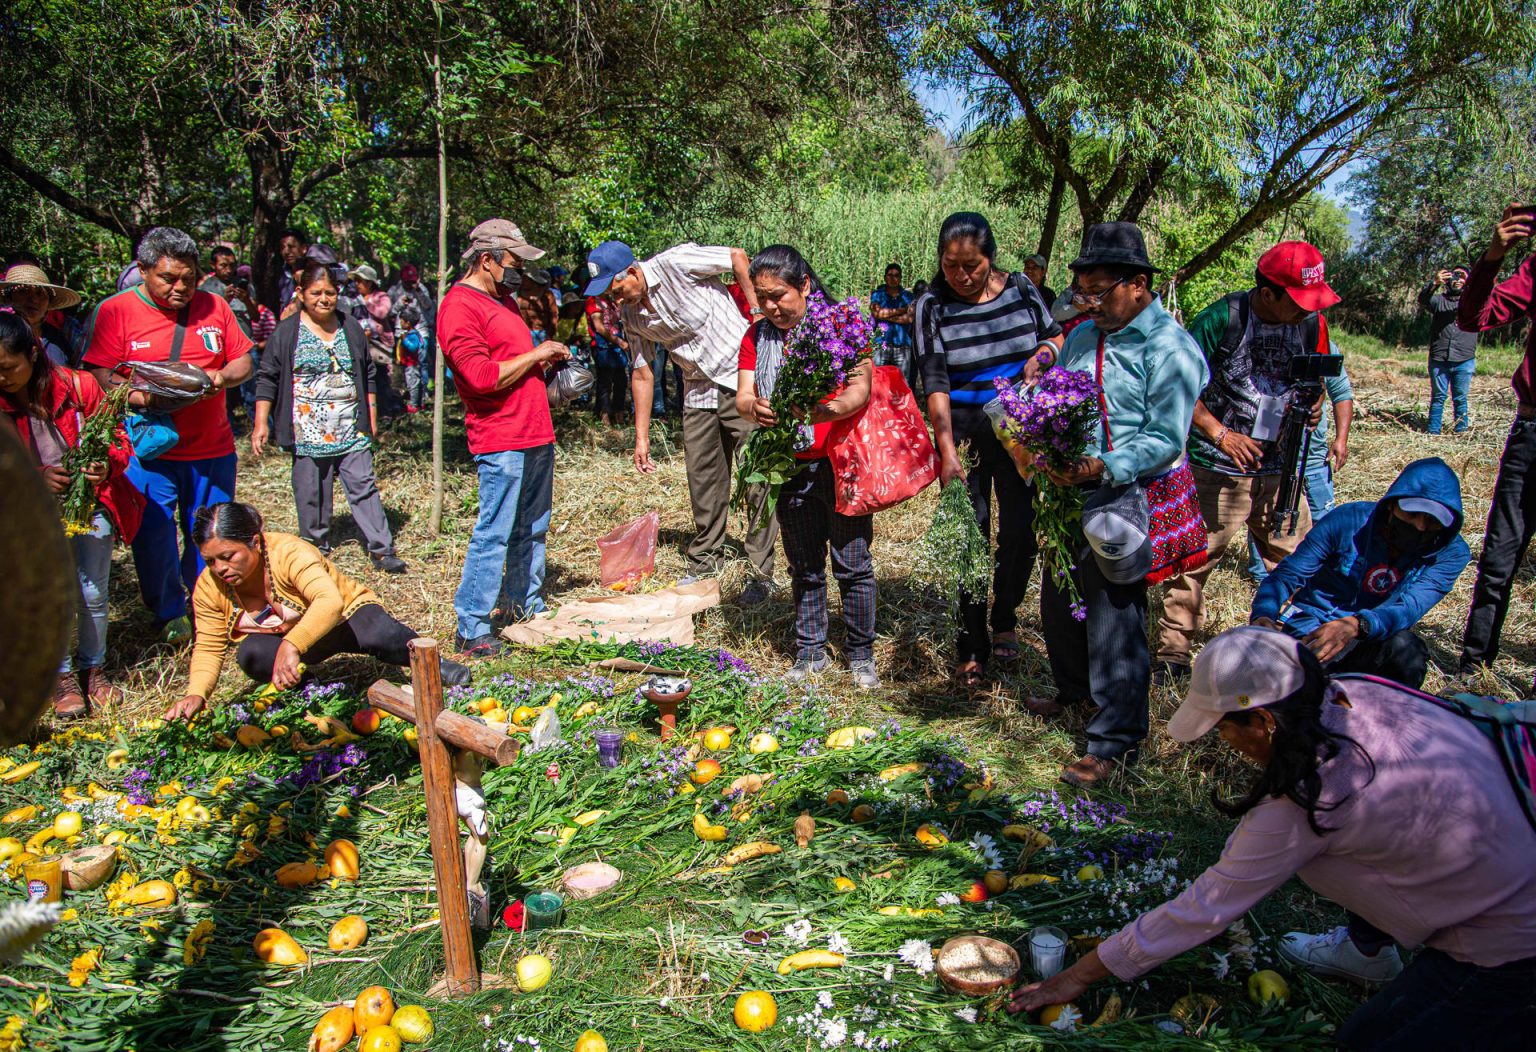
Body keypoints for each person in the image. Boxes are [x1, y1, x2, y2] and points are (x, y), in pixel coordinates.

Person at [1010, 626, 1536, 1049]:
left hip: (1508, 938)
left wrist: (1074, 977)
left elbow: (1205, 906)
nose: (1220, 738)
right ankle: (1367, 949)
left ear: (1262, 720)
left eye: (1222, 726)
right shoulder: (1357, 693)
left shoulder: (1309, 799)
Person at [1029, 221, 1208, 787]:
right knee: (1060, 599)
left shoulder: (1171, 348)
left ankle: (1116, 739)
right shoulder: (1085, 335)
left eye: (1099, 291)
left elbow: (1165, 437)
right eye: (1083, 291)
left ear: (1137, 284)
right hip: (1071, 487)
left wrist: (1102, 465)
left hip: (1127, 493)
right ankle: (1075, 693)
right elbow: (1061, 394)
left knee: (1114, 613)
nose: (1089, 303)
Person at [1156, 241, 1343, 686]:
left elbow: (1315, 380)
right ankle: (1173, 657)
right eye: (1297, 303)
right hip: (1216, 469)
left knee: (1296, 560)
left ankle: (1296, 652)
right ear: (1268, 292)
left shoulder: (1311, 323)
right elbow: (1176, 388)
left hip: (1280, 471)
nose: (1305, 313)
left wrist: (1313, 408)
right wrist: (1220, 433)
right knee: (1193, 563)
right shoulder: (1222, 320)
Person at [83, 226, 254, 644]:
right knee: (154, 536)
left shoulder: (215, 306)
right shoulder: (115, 311)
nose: (181, 287)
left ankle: (206, 607)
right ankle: (168, 612)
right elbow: (98, 372)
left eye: (189, 278)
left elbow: (244, 361)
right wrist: (141, 398)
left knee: (211, 534)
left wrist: (218, 377)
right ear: (143, 271)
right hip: (149, 452)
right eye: (169, 278)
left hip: (212, 447)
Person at [913, 212, 1063, 687]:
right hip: (964, 434)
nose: (961, 275)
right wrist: (946, 450)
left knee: (1020, 533)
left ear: (990, 258)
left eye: (971, 265)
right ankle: (971, 644)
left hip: (1018, 432)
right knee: (969, 541)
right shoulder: (931, 305)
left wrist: (1042, 359)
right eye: (951, 265)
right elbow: (934, 380)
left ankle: (1005, 618)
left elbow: (1053, 336)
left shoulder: (1021, 288)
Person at [586, 239, 777, 603]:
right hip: (697, 391)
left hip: (742, 378)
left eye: (616, 287)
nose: (615, 298)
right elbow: (642, 374)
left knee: (758, 476)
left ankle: (759, 572)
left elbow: (736, 257)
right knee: (703, 481)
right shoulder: (630, 315)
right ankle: (706, 561)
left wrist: (756, 313)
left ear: (632, 270)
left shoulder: (676, 262)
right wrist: (641, 438)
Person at [164, 503, 470, 720]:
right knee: (251, 654)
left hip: (345, 619)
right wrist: (197, 694)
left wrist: (291, 644)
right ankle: (308, 688)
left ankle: (432, 665)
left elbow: (329, 602)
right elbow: (208, 645)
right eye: (210, 561)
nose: (220, 569)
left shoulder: (289, 552)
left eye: (227, 557)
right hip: (293, 641)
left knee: (383, 633)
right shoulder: (209, 587)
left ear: (255, 542)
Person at [737, 246, 878, 688]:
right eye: (763, 298)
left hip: (840, 463)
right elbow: (743, 393)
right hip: (789, 465)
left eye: (779, 295)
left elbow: (861, 391)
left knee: (852, 562)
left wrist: (821, 412)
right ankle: (810, 651)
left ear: (805, 286)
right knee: (804, 563)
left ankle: (860, 656)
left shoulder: (842, 328)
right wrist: (752, 407)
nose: (771, 306)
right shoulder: (756, 337)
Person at [0, 312, 143, 716]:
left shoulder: (78, 386)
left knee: (93, 591)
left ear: (33, 353)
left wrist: (105, 467)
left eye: (8, 368)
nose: (3, 378)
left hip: (90, 502)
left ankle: (93, 671)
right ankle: (61, 679)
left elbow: (116, 438)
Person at [438, 219, 569, 658]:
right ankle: (472, 625)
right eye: (513, 262)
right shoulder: (459, 307)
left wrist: (544, 366)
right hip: (501, 437)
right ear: (487, 260)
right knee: (494, 532)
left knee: (533, 529)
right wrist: (536, 352)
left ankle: (523, 608)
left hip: (534, 430)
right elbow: (478, 376)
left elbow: (510, 362)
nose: (519, 272)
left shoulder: (505, 301)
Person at [1251, 457, 1469, 688]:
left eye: (1432, 521)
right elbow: (1288, 575)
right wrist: (1263, 615)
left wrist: (1357, 625)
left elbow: (1409, 607)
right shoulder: (1349, 521)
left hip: (1374, 635)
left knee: (1407, 652)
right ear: (1391, 505)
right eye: (1412, 514)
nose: (1420, 527)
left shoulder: (1452, 554)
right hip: (1313, 626)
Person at [250, 263, 405, 573]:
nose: (324, 299)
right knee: (311, 491)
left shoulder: (350, 328)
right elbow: (267, 378)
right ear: (300, 294)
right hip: (306, 429)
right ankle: (314, 549)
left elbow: (368, 373)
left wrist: (371, 416)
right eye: (316, 293)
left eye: (330, 293)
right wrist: (260, 423)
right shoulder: (287, 331)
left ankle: (381, 549)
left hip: (350, 424)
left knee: (363, 485)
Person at [1458, 203, 1536, 673]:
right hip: (1531, 431)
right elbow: (1474, 317)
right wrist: (1493, 256)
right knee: (1499, 557)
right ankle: (1473, 669)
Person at [1246, 358, 1353, 581]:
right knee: (1266, 515)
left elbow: (1341, 393)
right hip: (1275, 459)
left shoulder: (1322, 348)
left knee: (1324, 519)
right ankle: (1262, 578)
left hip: (1313, 457)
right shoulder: (1268, 342)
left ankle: (1322, 575)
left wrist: (1341, 439)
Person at [1420, 265, 1477, 434]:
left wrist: (1473, 282)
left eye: (1462, 276)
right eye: (1454, 276)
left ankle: (1461, 432)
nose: (1457, 280)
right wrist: (1434, 283)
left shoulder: (1472, 302)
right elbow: (1423, 299)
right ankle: (1433, 431)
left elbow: (1488, 297)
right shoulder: (1439, 301)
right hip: (1439, 359)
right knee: (1438, 397)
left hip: (1464, 359)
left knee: (1460, 398)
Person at [0, 263, 81, 367]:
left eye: (40, 293)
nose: (33, 299)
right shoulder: (2, 334)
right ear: (8, 298)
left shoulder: (57, 338)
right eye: (23, 291)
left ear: (49, 302)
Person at [389, 263, 437, 405]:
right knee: (406, 365)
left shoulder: (421, 288)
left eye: (413, 281)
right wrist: (399, 304)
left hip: (421, 331)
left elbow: (429, 307)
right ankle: (410, 391)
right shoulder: (394, 291)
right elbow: (389, 313)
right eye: (408, 282)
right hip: (402, 332)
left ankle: (424, 393)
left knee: (422, 363)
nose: (410, 284)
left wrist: (419, 292)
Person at [869, 262, 915, 389]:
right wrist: (902, 310)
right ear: (885, 277)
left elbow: (909, 319)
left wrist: (887, 315)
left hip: (902, 345)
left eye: (896, 275)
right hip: (881, 344)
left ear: (900, 278)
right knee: (877, 382)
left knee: (902, 384)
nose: (893, 278)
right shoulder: (877, 294)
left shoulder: (908, 296)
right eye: (890, 275)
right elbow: (877, 314)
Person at [586, 294, 629, 425]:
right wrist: (618, 341)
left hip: (617, 346)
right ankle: (604, 414)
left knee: (621, 380)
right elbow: (599, 327)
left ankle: (619, 413)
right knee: (605, 381)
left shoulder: (611, 300)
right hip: (603, 346)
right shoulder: (593, 301)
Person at [519, 268, 559, 344]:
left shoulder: (547, 295)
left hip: (541, 332)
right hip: (523, 331)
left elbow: (554, 315)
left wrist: (550, 334)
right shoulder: (517, 292)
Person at [275, 228, 310, 312]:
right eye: (282, 248)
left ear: (303, 248)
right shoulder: (281, 276)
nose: (286, 252)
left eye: (291, 247)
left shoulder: (314, 273)